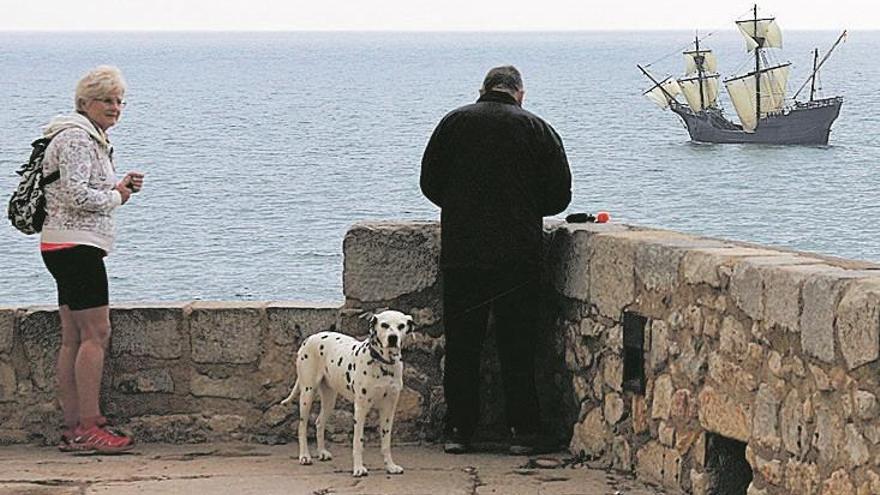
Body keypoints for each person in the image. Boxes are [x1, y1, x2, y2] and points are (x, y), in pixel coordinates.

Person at [420, 65, 572, 455]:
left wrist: (461, 208)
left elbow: (429, 183)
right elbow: (559, 197)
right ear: (520, 92)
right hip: (518, 256)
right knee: (518, 344)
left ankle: (458, 429)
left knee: (463, 345)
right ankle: (524, 431)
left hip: (463, 252)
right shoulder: (538, 129)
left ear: (483, 89)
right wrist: (522, 210)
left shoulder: (453, 123)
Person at [39, 65, 144, 453]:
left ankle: (75, 425)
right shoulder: (78, 139)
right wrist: (118, 197)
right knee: (96, 335)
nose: (115, 107)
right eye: (106, 100)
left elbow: (76, 189)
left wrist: (117, 186)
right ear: (84, 102)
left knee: (73, 337)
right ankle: (88, 426)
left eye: (119, 101)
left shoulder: (78, 136)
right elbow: (78, 197)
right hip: (76, 247)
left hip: (61, 245)